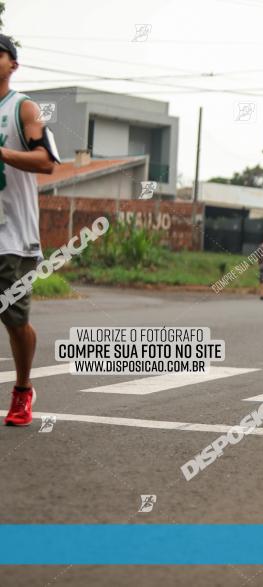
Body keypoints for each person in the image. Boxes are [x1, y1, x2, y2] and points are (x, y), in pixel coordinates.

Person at [0, 36, 59, 426]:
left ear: (13, 65)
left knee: (14, 319)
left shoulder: (23, 109)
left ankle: (23, 390)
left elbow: (47, 162)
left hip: (13, 237)